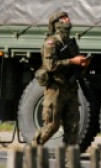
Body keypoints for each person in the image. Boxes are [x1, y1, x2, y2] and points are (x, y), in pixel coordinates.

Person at [34, 10, 90, 146]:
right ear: (57, 23)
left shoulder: (70, 42)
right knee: (52, 125)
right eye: (64, 18)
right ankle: (32, 152)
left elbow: (75, 63)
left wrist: (82, 64)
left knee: (73, 127)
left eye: (67, 17)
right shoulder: (51, 42)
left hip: (70, 88)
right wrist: (72, 61)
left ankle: (70, 164)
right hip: (55, 89)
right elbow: (50, 66)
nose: (68, 19)